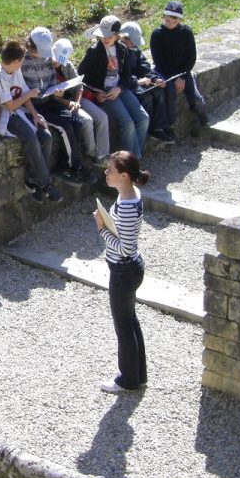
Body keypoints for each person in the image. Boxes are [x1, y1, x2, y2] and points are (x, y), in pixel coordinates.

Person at [93, 151, 150, 394]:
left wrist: (102, 229)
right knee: (130, 321)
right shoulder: (132, 194)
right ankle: (138, 374)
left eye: (111, 171)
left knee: (123, 326)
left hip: (123, 271)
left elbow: (125, 248)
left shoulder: (126, 205)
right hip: (131, 269)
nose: (106, 173)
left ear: (124, 176)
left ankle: (127, 379)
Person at [0, 40, 62, 203]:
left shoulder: (16, 70)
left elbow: (25, 93)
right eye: (22, 60)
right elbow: (11, 105)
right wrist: (29, 96)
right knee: (31, 137)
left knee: (46, 136)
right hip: (6, 116)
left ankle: (32, 179)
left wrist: (35, 115)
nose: (23, 62)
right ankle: (46, 183)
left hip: (20, 111)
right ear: (15, 62)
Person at [23, 27, 94, 182]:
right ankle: (74, 167)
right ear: (31, 46)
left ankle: (69, 162)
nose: (44, 55)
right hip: (34, 105)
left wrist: (58, 91)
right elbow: (20, 89)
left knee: (76, 122)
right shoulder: (22, 60)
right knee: (64, 126)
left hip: (49, 99)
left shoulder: (48, 57)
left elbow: (52, 80)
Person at [78, 15, 150, 161]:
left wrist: (120, 88)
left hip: (119, 89)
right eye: (102, 35)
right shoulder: (94, 51)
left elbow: (126, 75)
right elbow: (81, 76)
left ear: (117, 36)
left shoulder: (122, 49)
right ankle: (133, 162)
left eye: (109, 36)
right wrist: (96, 92)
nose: (105, 38)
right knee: (127, 123)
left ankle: (132, 158)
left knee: (143, 118)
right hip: (104, 92)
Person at [150, 0, 208, 137]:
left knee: (195, 97)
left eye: (174, 20)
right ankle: (168, 125)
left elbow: (191, 57)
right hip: (165, 71)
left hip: (183, 71)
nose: (170, 22)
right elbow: (158, 60)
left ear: (179, 20)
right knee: (170, 91)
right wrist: (175, 77)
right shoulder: (157, 34)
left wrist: (182, 76)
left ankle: (200, 114)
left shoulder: (186, 32)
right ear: (164, 16)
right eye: (168, 19)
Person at [54, 38, 110, 164]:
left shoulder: (67, 65)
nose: (58, 63)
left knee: (102, 117)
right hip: (62, 103)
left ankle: (103, 154)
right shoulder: (46, 68)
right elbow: (51, 97)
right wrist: (69, 103)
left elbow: (79, 86)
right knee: (87, 121)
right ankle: (92, 154)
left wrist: (77, 102)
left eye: (60, 60)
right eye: (56, 60)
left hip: (75, 100)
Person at [118, 21, 174, 145]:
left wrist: (155, 79)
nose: (134, 45)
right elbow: (122, 74)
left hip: (139, 80)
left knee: (159, 91)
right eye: (132, 42)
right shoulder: (118, 51)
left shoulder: (134, 50)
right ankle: (146, 130)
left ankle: (157, 127)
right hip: (128, 84)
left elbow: (143, 66)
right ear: (125, 39)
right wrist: (138, 81)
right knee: (145, 96)